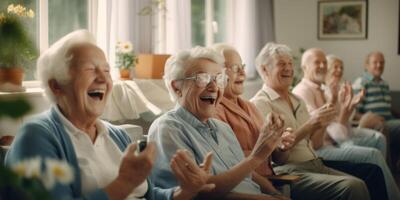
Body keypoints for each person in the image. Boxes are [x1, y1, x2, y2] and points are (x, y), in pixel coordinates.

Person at [5, 30, 214, 200]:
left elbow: (149, 195)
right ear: (56, 86)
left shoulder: (115, 135)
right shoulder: (36, 136)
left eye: (106, 70)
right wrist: (124, 182)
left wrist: (185, 191)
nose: (102, 79)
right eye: (89, 69)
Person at [148, 46, 289, 199]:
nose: (214, 87)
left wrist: (274, 193)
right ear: (176, 87)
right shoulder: (168, 128)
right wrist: (256, 158)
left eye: (219, 79)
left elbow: (248, 175)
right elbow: (200, 193)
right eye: (202, 79)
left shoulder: (223, 128)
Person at [250, 42, 384, 200]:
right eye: (281, 64)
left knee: (367, 176)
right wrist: (310, 124)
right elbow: (278, 156)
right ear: (265, 69)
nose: (288, 68)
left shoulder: (297, 99)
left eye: (290, 64)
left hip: (315, 163)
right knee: (354, 186)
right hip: (290, 171)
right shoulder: (260, 103)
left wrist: (323, 120)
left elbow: (317, 143)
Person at [292, 48, 398, 199]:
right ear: (304, 67)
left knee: (378, 140)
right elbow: (326, 132)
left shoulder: (321, 89)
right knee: (373, 154)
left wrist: (348, 105)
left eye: (324, 62)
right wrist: (336, 102)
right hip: (321, 148)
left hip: (332, 142)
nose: (323, 66)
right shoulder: (302, 91)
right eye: (317, 62)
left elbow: (339, 126)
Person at [211, 43, 295, 198]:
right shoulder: (213, 109)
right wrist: (265, 146)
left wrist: (282, 146)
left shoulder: (250, 106)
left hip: (272, 179)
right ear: (218, 73)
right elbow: (227, 159)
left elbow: (278, 159)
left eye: (242, 66)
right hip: (244, 185)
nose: (243, 72)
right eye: (235, 68)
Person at [353, 51, 400, 170]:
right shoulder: (362, 83)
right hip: (375, 124)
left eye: (382, 63)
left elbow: (387, 107)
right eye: (375, 62)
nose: (379, 65)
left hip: (389, 121)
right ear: (366, 65)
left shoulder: (384, 83)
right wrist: (371, 118)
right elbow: (353, 112)